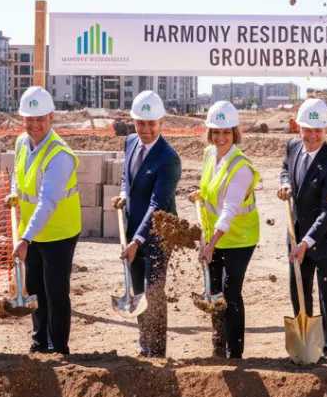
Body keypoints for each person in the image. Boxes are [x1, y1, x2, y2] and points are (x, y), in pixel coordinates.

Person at [5, 86, 81, 355]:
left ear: (51, 116)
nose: (34, 125)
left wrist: (25, 238)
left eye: (40, 119)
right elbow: (18, 171)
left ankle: (59, 347)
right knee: (35, 289)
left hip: (59, 233)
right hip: (32, 230)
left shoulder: (59, 155)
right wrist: (14, 191)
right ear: (22, 118)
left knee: (56, 292)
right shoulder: (21, 142)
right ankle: (40, 343)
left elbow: (48, 202)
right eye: (29, 119)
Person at [276, 98, 327, 360]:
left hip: (326, 239)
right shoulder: (294, 146)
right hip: (296, 235)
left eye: (318, 130)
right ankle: (304, 345)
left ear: (326, 130)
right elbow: (286, 168)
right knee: (299, 290)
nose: (313, 135)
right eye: (308, 129)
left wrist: (306, 242)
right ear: (299, 128)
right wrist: (285, 184)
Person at [111, 90, 181, 357]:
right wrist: (124, 194)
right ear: (134, 122)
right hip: (132, 232)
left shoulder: (169, 158)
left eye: (151, 123)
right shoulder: (129, 141)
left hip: (158, 236)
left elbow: (157, 205)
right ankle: (144, 345)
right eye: (141, 123)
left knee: (154, 292)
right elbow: (127, 177)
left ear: (161, 122)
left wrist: (136, 242)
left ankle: (157, 352)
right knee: (138, 291)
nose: (146, 129)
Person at [190, 100, 259, 359]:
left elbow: (229, 210)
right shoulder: (210, 154)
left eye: (226, 132)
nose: (220, 138)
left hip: (240, 237)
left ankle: (235, 353)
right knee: (214, 291)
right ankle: (218, 347)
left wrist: (210, 244)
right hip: (214, 236)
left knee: (230, 292)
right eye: (216, 132)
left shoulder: (241, 168)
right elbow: (213, 188)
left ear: (235, 133)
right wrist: (202, 193)